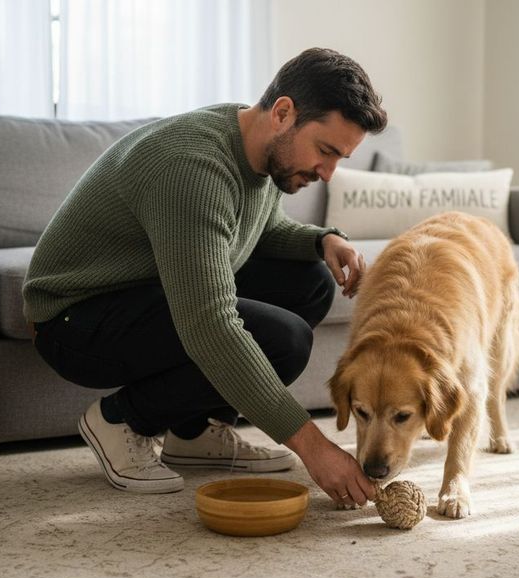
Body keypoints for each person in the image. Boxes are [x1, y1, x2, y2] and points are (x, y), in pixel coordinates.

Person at [23, 48, 386, 507]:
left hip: (143, 290)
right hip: (73, 319)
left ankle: (193, 433)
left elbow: (260, 229)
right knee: (283, 339)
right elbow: (209, 324)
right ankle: (120, 419)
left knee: (311, 281)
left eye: (341, 159)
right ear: (283, 113)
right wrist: (314, 448)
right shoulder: (192, 166)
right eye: (326, 151)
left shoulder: (255, 147)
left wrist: (322, 241)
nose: (328, 173)